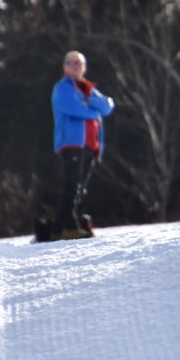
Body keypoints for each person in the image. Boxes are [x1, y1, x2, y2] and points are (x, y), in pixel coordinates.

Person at [49, 50, 115, 239]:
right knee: (71, 184)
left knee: (80, 188)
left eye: (79, 63)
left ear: (84, 67)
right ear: (65, 67)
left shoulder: (89, 89)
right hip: (71, 144)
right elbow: (74, 108)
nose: (76, 66)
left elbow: (108, 106)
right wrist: (93, 110)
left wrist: (91, 102)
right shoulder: (62, 88)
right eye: (72, 62)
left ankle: (58, 228)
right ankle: (69, 225)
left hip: (91, 146)